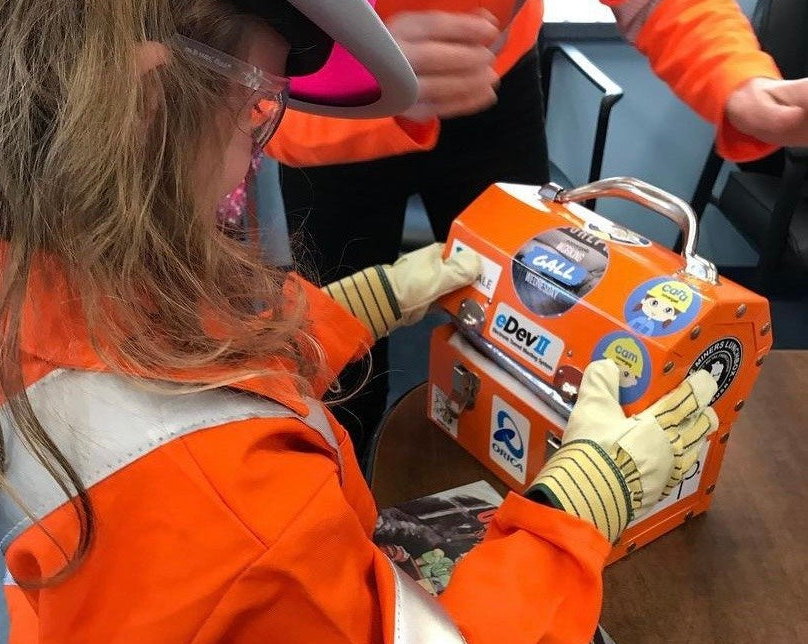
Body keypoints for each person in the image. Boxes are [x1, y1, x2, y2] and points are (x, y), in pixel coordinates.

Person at [0, 1, 718, 644]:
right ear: (149, 105)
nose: (248, 162)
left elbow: (170, 350)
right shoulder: (233, 502)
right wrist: (574, 512)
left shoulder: (23, 267)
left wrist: (345, 312)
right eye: (254, 113)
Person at [273, 0, 808, 455]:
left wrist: (737, 79)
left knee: (537, 324)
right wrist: (346, 70)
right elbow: (220, 48)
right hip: (326, 91)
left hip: (491, 82)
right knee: (341, 360)